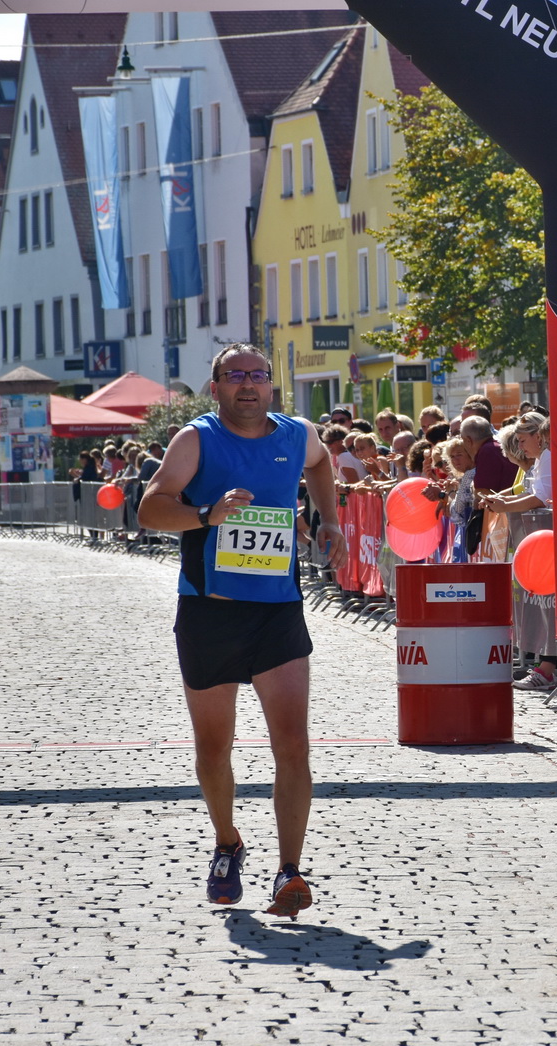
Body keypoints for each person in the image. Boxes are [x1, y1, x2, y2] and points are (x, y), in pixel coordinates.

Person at [137, 343, 347, 918]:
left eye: (258, 375)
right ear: (217, 387)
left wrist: (328, 518)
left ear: (272, 385)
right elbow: (150, 510)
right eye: (236, 377)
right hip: (210, 611)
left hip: (277, 611)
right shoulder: (197, 440)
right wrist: (207, 515)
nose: (248, 386)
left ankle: (289, 871)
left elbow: (322, 463)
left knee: (294, 743)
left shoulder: (297, 435)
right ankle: (227, 841)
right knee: (213, 747)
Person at [481, 413, 555, 689]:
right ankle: (544, 665)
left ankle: (548, 668)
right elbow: (533, 493)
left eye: (523, 440)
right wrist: (504, 500)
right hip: (543, 541)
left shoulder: (547, 455)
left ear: (538, 436)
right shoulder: (540, 458)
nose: (520, 446)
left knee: (549, 604)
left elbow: (540, 497)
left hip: (548, 540)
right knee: (543, 605)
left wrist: (505, 506)